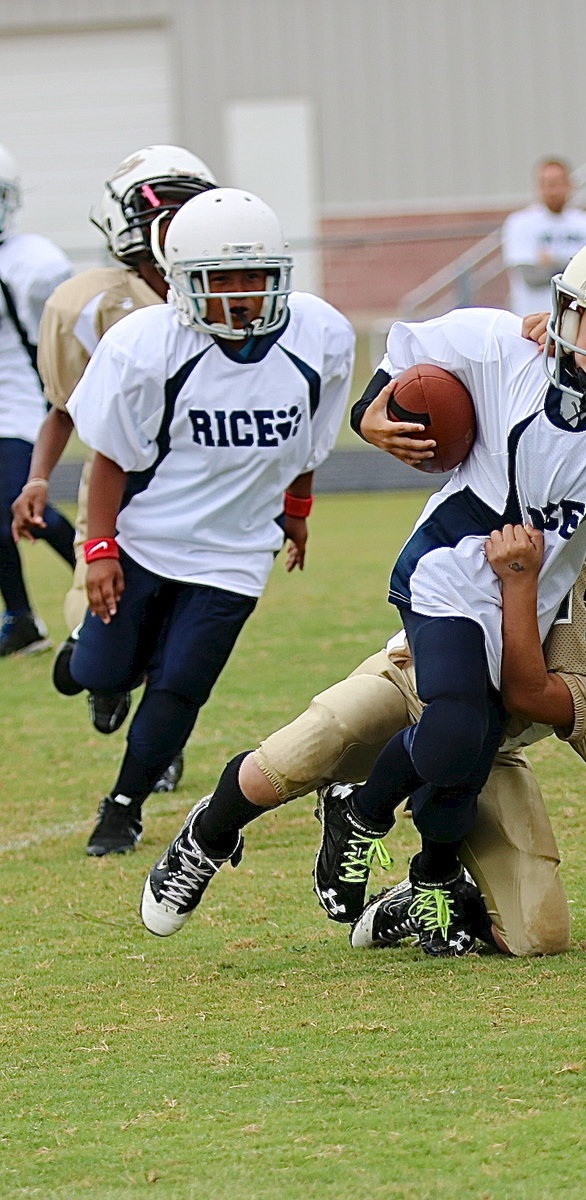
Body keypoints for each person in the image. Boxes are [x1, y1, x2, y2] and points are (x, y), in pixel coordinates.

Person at [309, 227, 586, 957]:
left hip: (531, 598)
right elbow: (407, 358)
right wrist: (370, 414)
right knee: (453, 735)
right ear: (565, 311)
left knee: (466, 757)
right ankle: (363, 813)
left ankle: (428, 877)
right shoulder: (499, 344)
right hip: (450, 568)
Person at [138, 517, 586, 955]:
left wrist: (520, 585)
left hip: (489, 743)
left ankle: (419, 895)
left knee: (536, 936)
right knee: (299, 752)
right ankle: (208, 836)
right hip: (416, 674)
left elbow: (527, 693)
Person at [64, 187, 355, 857]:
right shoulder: (146, 344)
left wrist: (298, 513)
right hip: (144, 537)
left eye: (254, 277)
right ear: (177, 281)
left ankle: (123, 806)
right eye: (220, 278)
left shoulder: (319, 336)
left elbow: (307, 444)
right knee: (101, 672)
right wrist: (101, 546)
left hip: (236, 550)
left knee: (181, 683)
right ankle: (82, 666)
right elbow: (108, 458)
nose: (240, 295)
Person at [11, 147, 218, 788]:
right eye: (161, 204)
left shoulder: (230, 295)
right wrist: (39, 478)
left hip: (203, 495)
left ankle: (159, 743)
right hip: (121, 496)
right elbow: (65, 407)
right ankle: (94, 661)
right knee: (112, 630)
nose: (174, 220)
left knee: (182, 628)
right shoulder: (93, 305)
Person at [0, 142, 75, 657]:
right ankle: (22, 618)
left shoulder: (35, 262)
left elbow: (60, 340)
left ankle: (109, 581)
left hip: (22, 399)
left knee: (21, 498)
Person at [501, 159, 586, 317]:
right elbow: (530, 276)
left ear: (570, 185)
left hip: (579, 320)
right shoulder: (520, 223)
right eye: (546, 184)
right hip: (534, 319)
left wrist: (551, 263)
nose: (552, 191)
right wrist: (576, 264)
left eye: (557, 183)